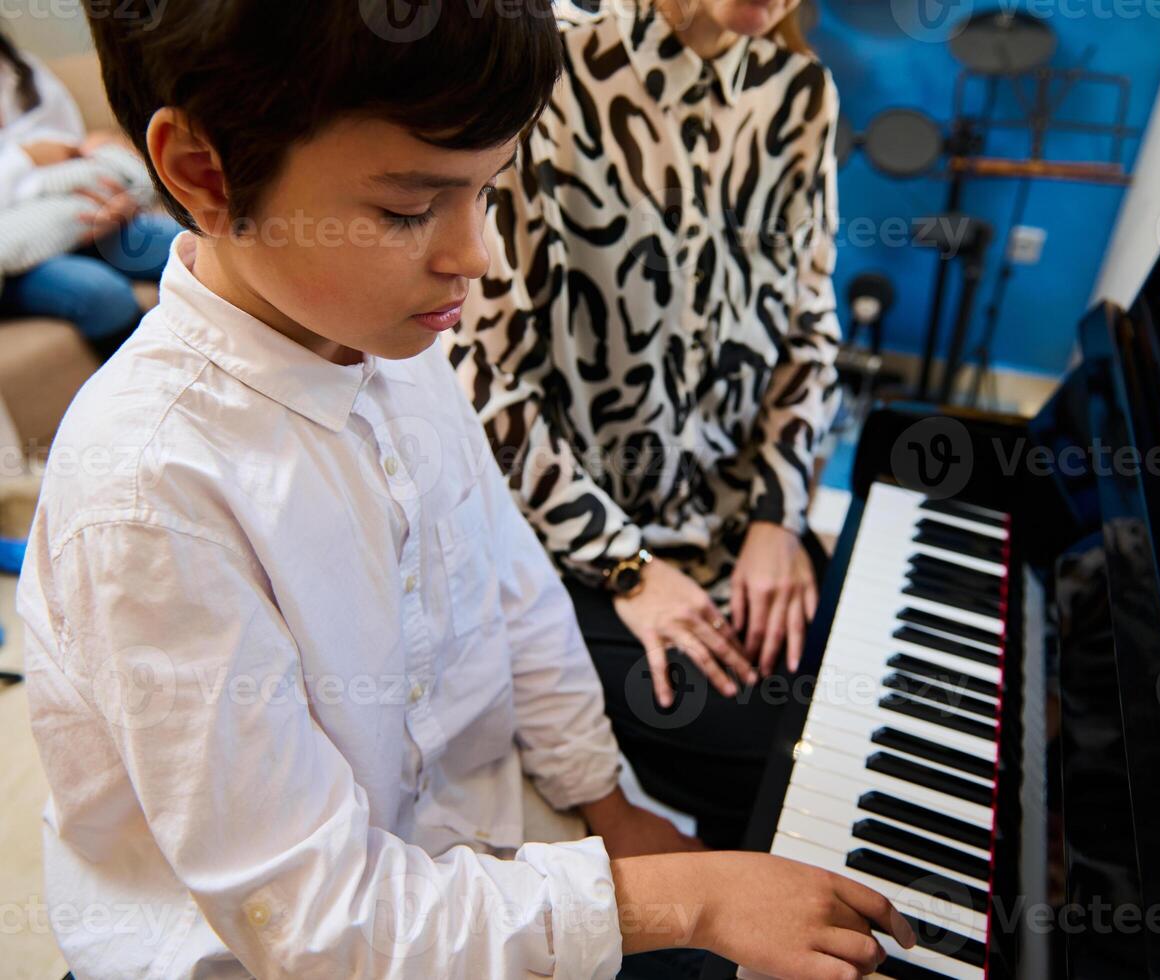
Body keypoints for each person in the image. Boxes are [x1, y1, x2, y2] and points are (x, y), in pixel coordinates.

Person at [18, 2, 914, 978]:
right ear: (202, 172)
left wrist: (608, 803)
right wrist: (683, 900)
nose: (476, 258)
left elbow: (515, 586)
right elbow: (315, 920)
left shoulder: (390, 338)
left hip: (456, 850)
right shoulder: (150, 487)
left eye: (487, 192)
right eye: (410, 208)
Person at [445, 0, 843, 847]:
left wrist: (780, 516)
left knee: (851, 689)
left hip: (743, 518)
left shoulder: (802, 92)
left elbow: (812, 327)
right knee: (777, 748)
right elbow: (483, 380)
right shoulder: (542, 66)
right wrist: (626, 566)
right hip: (583, 543)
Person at [0, 25, 178, 358]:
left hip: (85, 216)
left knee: (183, 243)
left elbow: (74, 149)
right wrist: (26, 158)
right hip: (16, 251)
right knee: (101, 293)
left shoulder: (21, 69)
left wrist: (118, 199)